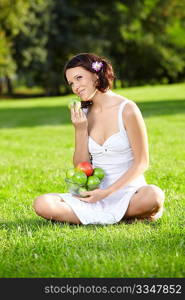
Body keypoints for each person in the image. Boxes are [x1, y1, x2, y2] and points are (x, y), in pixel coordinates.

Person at [33, 53, 165, 225]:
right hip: (94, 196)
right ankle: (125, 216)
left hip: (130, 193)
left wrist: (107, 192)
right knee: (42, 204)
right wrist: (80, 130)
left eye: (79, 78)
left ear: (96, 74)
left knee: (154, 195)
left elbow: (142, 163)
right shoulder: (84, 114)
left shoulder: (127, 109)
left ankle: (105, 215)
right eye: (71, 83)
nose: (75, 87)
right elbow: (81, 166)